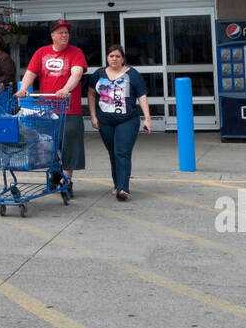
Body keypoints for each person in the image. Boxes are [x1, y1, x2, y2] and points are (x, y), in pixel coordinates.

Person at [17, 20, 87, 190]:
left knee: (70, 143)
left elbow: (76, 73)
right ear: (52, 36)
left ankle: (67, 179)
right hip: (47, 109)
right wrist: (23, 89)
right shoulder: (42, 53)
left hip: (69, 108)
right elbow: (30, 73)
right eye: (60, 32)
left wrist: (65, 89)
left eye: (66, 33)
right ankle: (54, 172)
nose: (64, 35)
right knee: (48, 143)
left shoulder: (75, 52)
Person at [88, 45, 152, 201]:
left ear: (123, 58)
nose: (114, 59)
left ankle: (123, 188)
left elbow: (142, 96)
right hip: (105, 121)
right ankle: (117, 184)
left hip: (127, 120)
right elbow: (91, 94)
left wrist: (147, 119)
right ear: (107, 58)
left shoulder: (133, 75)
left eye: (117, 56)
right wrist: (93, 116)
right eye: (111, 56)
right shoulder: (99, 74)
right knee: (113, 154)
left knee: (122, 153)